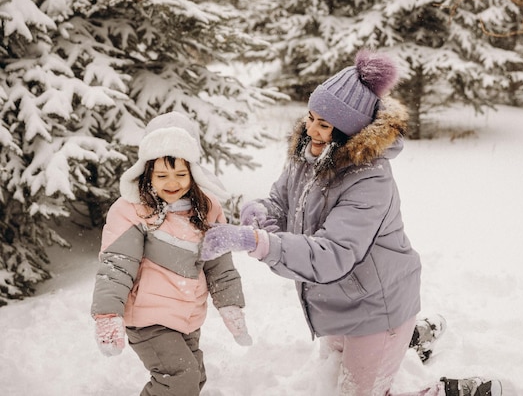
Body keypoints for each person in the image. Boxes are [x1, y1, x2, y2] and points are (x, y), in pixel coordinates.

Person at [200, 50, 502, 396]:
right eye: (311, 117)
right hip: (335, 304)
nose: (311, 129)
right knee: (330, 382)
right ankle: (407, 341)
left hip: (375, 306)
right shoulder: (309, 156)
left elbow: (332, 255)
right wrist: (261, 212)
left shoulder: (370, 180)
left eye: (324, 124)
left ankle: (447, 388)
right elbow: (283, 201)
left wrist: (255, 242)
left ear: (349, 132)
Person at [90, 111, 252, 396]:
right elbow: (117, 266)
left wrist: (230, 305)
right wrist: (107, 315)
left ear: (194, 171)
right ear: (146, 172)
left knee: (193, 378)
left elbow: (219, 265)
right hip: (147, 318)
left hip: (187, 315)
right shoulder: (132, 211)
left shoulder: (207, 209)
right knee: (180, 379)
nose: (172, 182)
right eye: (162, 175)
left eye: (181, 174)